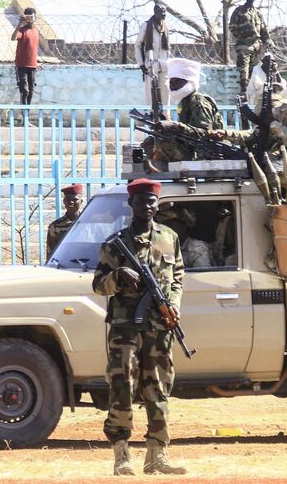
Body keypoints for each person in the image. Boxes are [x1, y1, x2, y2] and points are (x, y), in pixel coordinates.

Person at [92, 178, 186, 476]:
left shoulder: (170, 238)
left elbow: (178, 277)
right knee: (123, 387)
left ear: (157, 205)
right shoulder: (115, 243)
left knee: (158, 388)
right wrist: (118, 275)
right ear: (131, 204)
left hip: (159, 327)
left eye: (152, 201)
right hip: (125, 330)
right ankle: (122, 455)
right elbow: (98, 285)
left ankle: (156, 456)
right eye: (141, 201)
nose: (147, 206)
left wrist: (172, 304)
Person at [145, 58, 224, 166]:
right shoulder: (185, 101)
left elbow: (206, 133)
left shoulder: (198, 102)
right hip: (190, 145)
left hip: (204, 150)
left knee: (159, 145)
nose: (172, 86)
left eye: (177, 82)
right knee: (151, 140)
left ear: (189, 81)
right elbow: (187, 129)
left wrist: (175, 126)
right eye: (171, 82)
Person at [229, 0, 270, 95]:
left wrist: (268, 40)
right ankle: (244, 94)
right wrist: (244, 35)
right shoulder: (238, 11)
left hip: (256, 47)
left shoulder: (257, 12)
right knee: (244, 73)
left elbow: (263, 29)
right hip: (244, 46)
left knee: (255, 72)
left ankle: (253, 95)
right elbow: (232, 28)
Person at [135, 4, 171, 107]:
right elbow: (138, 45)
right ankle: (152, 120)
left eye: (165, 12)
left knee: (166, 97)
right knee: (151, 99)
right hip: (151, 66)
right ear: (155, 13)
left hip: (164, 67)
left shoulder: (165, 26)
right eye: (161, 13)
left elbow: (168, 47)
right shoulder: (146, 25)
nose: (164, 15)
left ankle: (166, 119)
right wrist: (141, 65)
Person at [157, 205, 214, 269]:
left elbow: (202, 275)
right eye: (165, 226)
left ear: (184, 226)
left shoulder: (197, 249)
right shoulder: (162, 246)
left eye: (171, 225)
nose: (167, 230)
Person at [11, 8, 41, 106]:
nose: (30, 19)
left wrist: (38, 60)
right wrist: (20, 23)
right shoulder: (22, 30)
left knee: (31, 92)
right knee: (24, 91)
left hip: (32, 65)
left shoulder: (36, 31)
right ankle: (24, 118)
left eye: (31, 17)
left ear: (35, 18)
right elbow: (13, 38)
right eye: (28, 17)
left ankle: (26, 116)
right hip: (21, 65)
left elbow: (34, 47)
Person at [46, 184, 84, 260]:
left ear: (81, 201)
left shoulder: (89, 224)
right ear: (64, 201)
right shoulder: (55, 227)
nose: (71, 202)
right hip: (64, 266)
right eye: (68, 199)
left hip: (86, 266)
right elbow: (51, 254)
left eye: (75, 199)